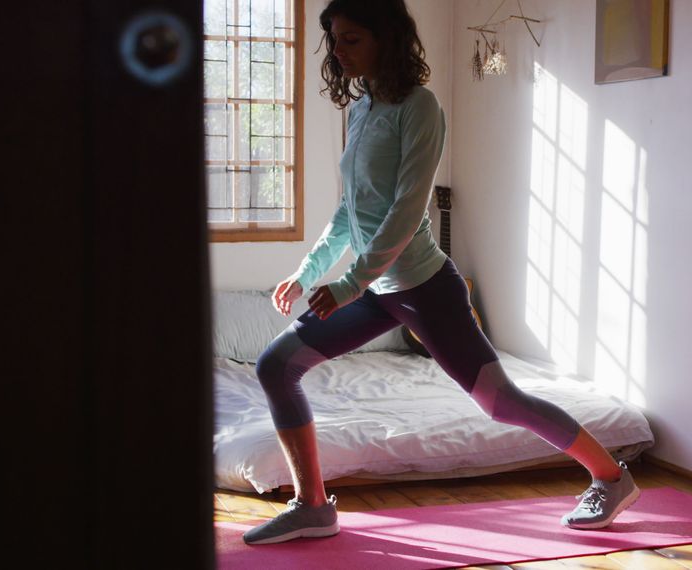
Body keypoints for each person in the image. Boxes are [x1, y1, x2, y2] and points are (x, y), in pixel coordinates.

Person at [242, 0, 640, 546]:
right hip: (377, 286)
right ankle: (312, 506)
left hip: (424, 287)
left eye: (351, 38)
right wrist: (307, 269)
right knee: (276, 365)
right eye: (334, 38)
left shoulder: (420, 107)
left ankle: (611, 476)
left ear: (386, 38)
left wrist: (348, 282)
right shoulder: (361, 109)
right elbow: (350, 209)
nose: (337, 50)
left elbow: (407, 210)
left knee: (501, 403)